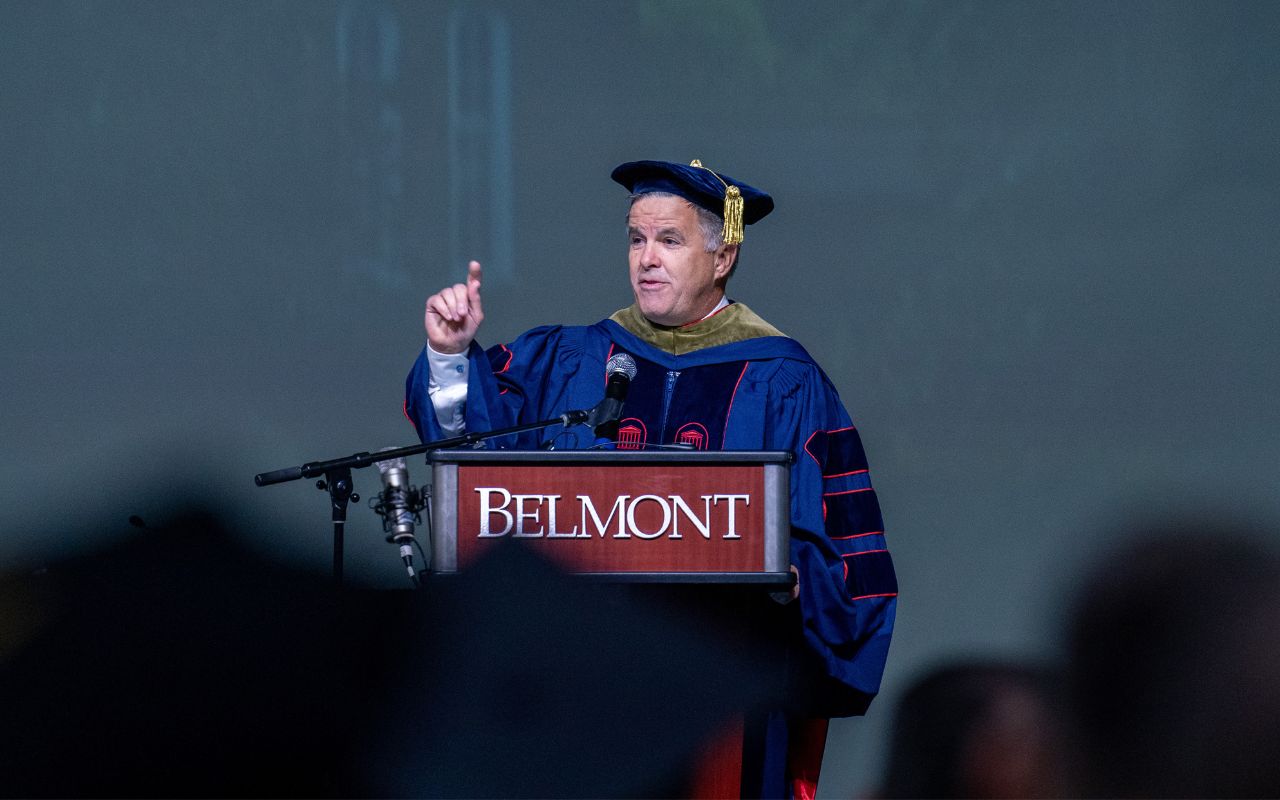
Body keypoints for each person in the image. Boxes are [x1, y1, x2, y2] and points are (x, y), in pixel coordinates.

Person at [404, 159, 897, 798]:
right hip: (579, 684)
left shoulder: (785, 380)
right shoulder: (570, 359)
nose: (646, 258)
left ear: (722, 258)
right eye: (636, 238)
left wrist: (798, 580)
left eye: (669, 240)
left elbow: (842, 554)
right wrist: (449, 353)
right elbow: (478, 457)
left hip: (723, 695)